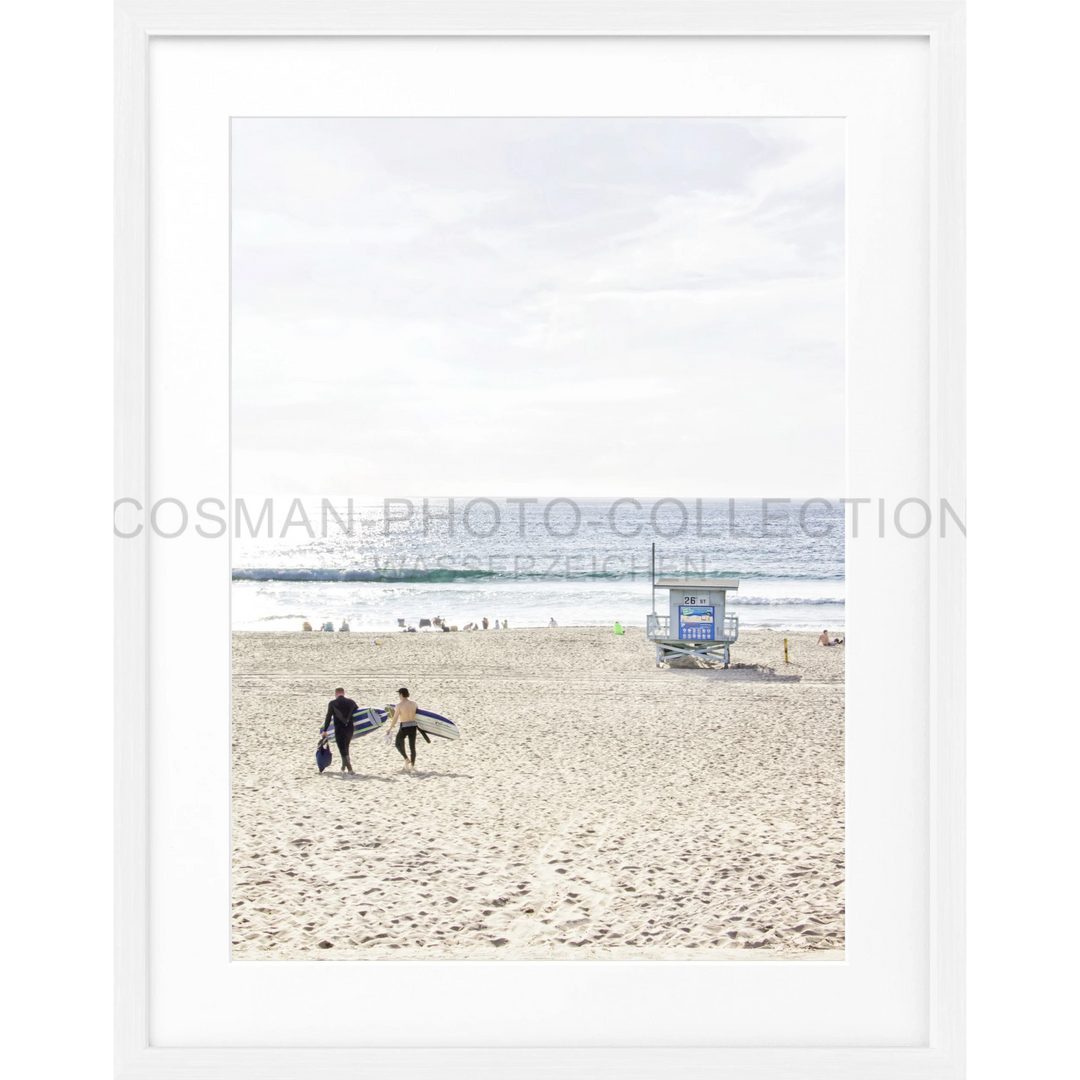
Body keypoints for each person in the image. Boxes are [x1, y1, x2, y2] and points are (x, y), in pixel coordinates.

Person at [321, 687, 359, 775]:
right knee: (346, 746)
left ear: (336, 694)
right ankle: (343, 766)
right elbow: (358, 712)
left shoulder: (332, 703)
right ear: (343, 693)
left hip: (339, 728)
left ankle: (350, 768)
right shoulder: (351, 702)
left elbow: (328, 717)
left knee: (342, 749)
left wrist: (325, 730)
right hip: (350, 728)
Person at [388, 687, 420, 772]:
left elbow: (395, 718)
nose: (399, 696)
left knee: (398, 744)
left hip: (404, 727)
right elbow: (419, 715)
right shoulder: (414, 704)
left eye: (399, 694)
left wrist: (390, 728)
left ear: (401, 694)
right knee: (412, 747)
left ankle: (406, 759)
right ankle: (412, 765)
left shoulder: (399, 705)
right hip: (413, 726)